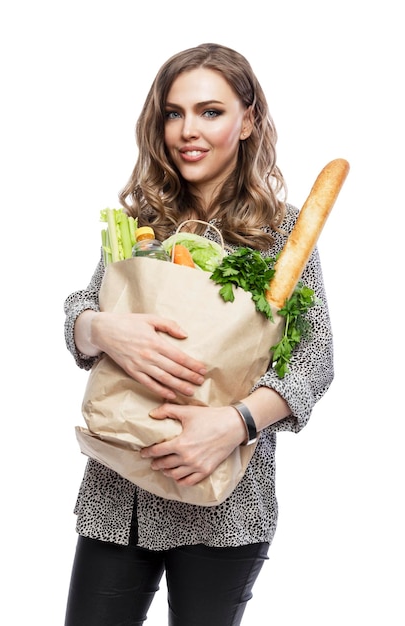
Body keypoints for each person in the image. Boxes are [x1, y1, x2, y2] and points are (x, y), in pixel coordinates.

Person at [63, 43, 334, 626]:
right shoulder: (138, 222)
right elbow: (82, 312)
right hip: (121, 490)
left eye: (210, 111)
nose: (188, 130)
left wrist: (233, 424)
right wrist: (101, 328)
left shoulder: (285, 232)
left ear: (248, 120)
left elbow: (314, 359)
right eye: (173, 112)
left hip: (226, 500)